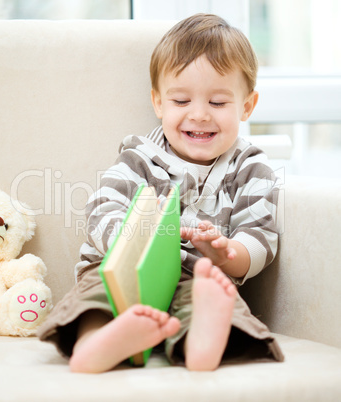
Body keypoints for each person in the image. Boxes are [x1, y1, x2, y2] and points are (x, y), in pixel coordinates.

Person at [38, 13, 284, 373]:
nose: (199, 115)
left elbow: (261, 235)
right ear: (158, 103)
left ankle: (201, 342)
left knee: (219, 299)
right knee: (96, 293)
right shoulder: (138, 157)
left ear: (246, 106)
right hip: (123, 268)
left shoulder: (252, 169)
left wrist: (227, 253)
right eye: (182, 101)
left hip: (197, 274)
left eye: (218, 103)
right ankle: (96, 342)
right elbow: (101, 208)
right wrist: (133, 241)